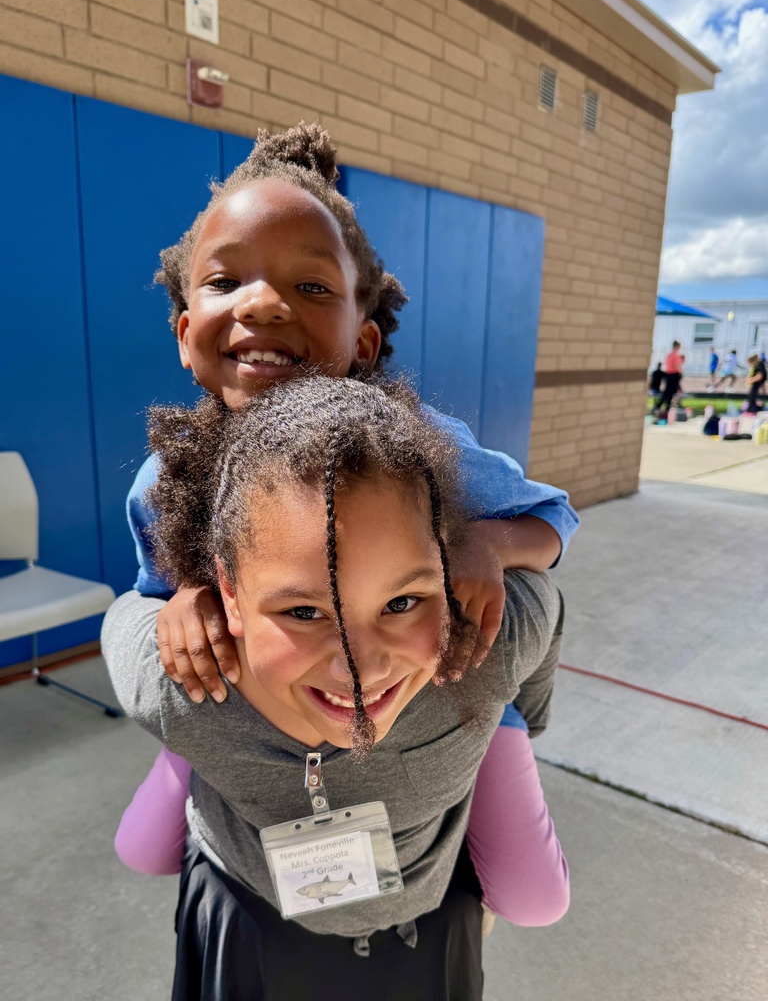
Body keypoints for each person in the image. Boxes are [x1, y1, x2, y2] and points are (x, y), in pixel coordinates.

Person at [115, 124, 578, 914]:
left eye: (312, 287)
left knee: (533, 896)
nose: (264, 303)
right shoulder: (168, 476)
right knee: (143, 847)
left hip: (432, 676)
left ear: (364, 341)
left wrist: (485, 542)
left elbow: (554, 523)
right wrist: (186, 601)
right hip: (256, 697)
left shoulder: (410, 452)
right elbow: (151, 589)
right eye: (226, 281)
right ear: (186, 336)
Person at [103, 376, 569, 1000]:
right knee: (142, 845)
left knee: (539, 897)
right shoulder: (176, 688)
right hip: (248, 896)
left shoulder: (491, 649)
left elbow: (545, 604)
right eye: (304, 612)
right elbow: (124, 620)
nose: (359, 670)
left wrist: (512, 718)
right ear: (229, 596)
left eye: (402, 601)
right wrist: (180, 624)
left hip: (418, 918)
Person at [656, 340, 683, 415]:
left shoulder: (668, 355)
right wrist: (680, 371)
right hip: (674, 374)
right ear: (677, 346)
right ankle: (666, 407)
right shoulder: (676, 355)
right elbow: (677, 366)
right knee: (670, 391)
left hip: (668, 374)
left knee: (667, 391)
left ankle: (660, 405)